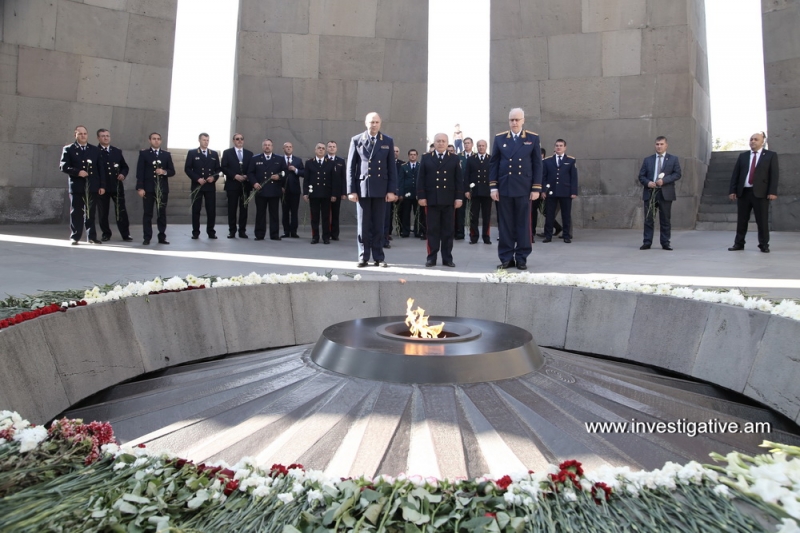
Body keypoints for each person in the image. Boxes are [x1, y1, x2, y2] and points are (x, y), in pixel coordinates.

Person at [489, 108, 542, 270]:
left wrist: (536, 188)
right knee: (505, 225)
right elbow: (494, 164)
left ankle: (521, 257)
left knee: (523, 224)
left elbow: (537, 165)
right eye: (512, 120)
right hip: (504, 188)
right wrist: (493, 187)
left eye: (517, 120)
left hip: (524, 189)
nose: (514, 123)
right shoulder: (499, 139)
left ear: (523, 120)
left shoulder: (532, 138)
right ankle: (506, 257)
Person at [347, 112, 398, 268]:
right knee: (363, 225)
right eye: (371, 122)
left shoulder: (387, 141)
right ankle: (363, 256)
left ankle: (378, 257)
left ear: (380, 123)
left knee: (378, 225)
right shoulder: (356, 140)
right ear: (366, 123)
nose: (374, 124)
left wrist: (392, 190)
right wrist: (351, 190)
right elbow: (350, 167)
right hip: (362, 189)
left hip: (381, 190)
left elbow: (391, 168)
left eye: (376, 122)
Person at [728, 132, 779, 253]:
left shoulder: (770, 155)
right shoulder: (743, 156)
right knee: (742, 220)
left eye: (756, 139)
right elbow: (736, 174)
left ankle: (764, 244)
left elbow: (774, 174)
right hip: (744, 192)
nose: (753, 141)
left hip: (761, 193)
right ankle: (739, 243)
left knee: (762, 220)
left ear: (763, 142)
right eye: (751, 139)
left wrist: (772, 191)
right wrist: (733, 190)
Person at [417, 133, 463, 267]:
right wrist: (421, 196)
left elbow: (458, 180)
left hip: (448, 200)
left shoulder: (454, 159)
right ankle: (431, 257)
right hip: (432, 200)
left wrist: (458, 198)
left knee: (448, 231)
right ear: (434, 143)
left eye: (443, 141)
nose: (441, 143)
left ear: (447, 143)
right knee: (432, 230)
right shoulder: (426, 158)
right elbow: (421, 179)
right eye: (438, 141)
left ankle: (447, 258)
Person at [60, 125, 106, 244]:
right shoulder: (69, 149)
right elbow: (63, 166)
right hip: (77, 185)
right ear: (75, 135)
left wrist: (102, 185)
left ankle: (92, 236)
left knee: (91, 211)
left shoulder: (95, 150)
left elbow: (101, 169)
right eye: (80, 134)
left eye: (85, 133)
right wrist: (77, 172)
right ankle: (75, 236)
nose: (83, 136)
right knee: (76, 211)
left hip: (92, 185)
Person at [638, 136, 681, 250]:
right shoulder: (648, 160)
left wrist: (664, 181)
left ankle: (665, 242)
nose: (659, 146)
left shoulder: (673, 159)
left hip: (665, 193)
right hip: (650, 192)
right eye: (657, 144)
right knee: (648, 219)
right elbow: (641, 176)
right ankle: (647, 242)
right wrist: (648, 183)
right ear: (654, 145)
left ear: (666, 145)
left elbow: (677, 174)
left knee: (665, 219)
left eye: (661, 144)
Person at [136, 132, 175, 245]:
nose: (156, 141)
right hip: (148, 188)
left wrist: (164, 172)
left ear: (161, 141)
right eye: (154, 139)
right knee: (148, 213)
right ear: (150, 140)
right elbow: (140, 171)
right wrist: (140, 188)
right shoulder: (144, 154)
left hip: (162, 189)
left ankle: (162, 236)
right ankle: (147, 237)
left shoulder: (166, 155)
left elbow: (172, 171)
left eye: (158, 139)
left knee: (161, 213)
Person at [95, 128, 132, 242]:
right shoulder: (95, 151)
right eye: (103, 136)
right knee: (103, 212)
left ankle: (125, 234)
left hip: (116, 186)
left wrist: (122, 174)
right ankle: (106, 234)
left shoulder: (117, 151)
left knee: (121, 210)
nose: (106, 138)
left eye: (107, 136)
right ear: (98, 138)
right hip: (102, 187)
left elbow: (125, 166)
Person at [247, 139, 287, 241]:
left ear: (272, 147)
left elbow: (285, 172)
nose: (267, 147)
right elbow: (250, 173)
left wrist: (279, 177)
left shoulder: (279, 158)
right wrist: (254, 183)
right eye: (265, 145)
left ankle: (274, 234)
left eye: (269, 145)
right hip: (260, 190)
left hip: (274, 190)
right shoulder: (255, 159)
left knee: (274, 213)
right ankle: (259, 234)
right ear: (262, 147)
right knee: (260, 213)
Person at [541, 139, 578, 243]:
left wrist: (573, 192)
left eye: (561, 146)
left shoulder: (570, 160)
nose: (558, 147)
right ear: (554, 147)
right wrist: (543, 190)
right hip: (551, 191)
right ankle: (548, 236)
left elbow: (574, 178)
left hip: (565, 191)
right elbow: (544, 177)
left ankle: (566, 235)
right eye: (557, 145)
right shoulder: (547, 161)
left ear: (565, 147)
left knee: (566, 215)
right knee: (549, 215)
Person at [185, 132, 221, 239]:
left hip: (210, 186)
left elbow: (218, 169)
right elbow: (187, 168)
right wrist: (197, 178)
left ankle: (211, 232)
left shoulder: (213, 154)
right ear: (199, 140)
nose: (206, 142)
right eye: (204, 140)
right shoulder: (192, 153)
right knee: (196, 210)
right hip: (197, 185)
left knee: (211, 210)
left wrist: (213, 177)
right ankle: (195, 232)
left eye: (207, 140)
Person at [304, 143, 338, 245]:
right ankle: (315, 237)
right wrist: (305, 193)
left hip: (326, 194)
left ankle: (326, 237)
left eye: (323, 148)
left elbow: (334, 180)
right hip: (314, 194)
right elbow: (306, 180)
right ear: (315, 150)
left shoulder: (331, 163)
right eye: (319, 148)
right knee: (314, 217)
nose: (321, 150)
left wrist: (334, 194)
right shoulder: (309, 163)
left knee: (326, 217)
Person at [221, 133, 253, 238]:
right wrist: (235, 176)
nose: (239, 141)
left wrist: (247, 176)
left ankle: (242, 231)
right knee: (232, 208)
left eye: (241, 139)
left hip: (245, 185)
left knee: (244, 208)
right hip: (232, 185)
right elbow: (224, 167)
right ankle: (232, 231)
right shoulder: (227, 153)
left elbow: (252, 168)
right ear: (233, 141)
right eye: (237, 139)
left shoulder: (249, 153)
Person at [467, 139, 492, 244]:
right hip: (475, 192)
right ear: (476, 147)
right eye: (479, 146)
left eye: (483, 145)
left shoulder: (491, 159)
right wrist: (467, 190)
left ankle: (486, 237)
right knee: (474, 216)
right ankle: (474, 237)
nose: (481, 147)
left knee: (487, 216)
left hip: (487, 192)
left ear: (486, 146)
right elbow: (467, 176)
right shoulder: (471, 159)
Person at [534, 147, 562, 240]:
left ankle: (552, 229)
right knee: (542, 211)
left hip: (543, 192)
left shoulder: (545, 163)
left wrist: (543, 191)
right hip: (536, 191)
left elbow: (543, 178)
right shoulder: (536, 163)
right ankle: (554, 228)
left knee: (546, 212)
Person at [281, 142, 304, 238]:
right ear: (283, 149)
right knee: (285, 211)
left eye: (290, 147)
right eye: (286, 147)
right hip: (283, 190)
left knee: (294, 211)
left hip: (295, 190)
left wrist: (295, 170)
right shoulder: (279, 159)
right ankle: (286, 231)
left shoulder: (298, 160)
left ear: (292, 148)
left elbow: (304, 173)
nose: (288, 148)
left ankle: (293, 231)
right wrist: (280, 186)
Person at [326, 141, 347, 241]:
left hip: (337, 191)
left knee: (335, 214)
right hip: (325, 191)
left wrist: (344, 192)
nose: (331, 148)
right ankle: (326, 233)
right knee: (326, 214)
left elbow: (343, 177)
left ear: (336, 148)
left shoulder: (340, 161)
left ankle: (334, 234)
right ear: (327, 148)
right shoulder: (323, 159)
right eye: (330, 146)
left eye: (333, 146)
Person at [398, 149, 420, 238]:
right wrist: (401, 193)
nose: (412, 156)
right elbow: (401, 181)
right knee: (406, 213)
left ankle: (417, 231)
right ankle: (405, 231)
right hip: (407, 193)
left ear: (417, 156)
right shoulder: (404, 166)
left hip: (417, 194)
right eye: (411, 154)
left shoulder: (420, 166)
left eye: (414, 154)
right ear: (408, 156)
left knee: (417, 213)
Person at [455, 137, 474, 240]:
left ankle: (472, 233)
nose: (466, 145)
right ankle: (460, 232)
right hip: (461, 188)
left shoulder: (475, 156)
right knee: (460, 212)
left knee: (472, 212)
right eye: (465, 143)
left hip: (473, 188)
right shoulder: (458, 157)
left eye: (468, 143)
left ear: (472, 144)